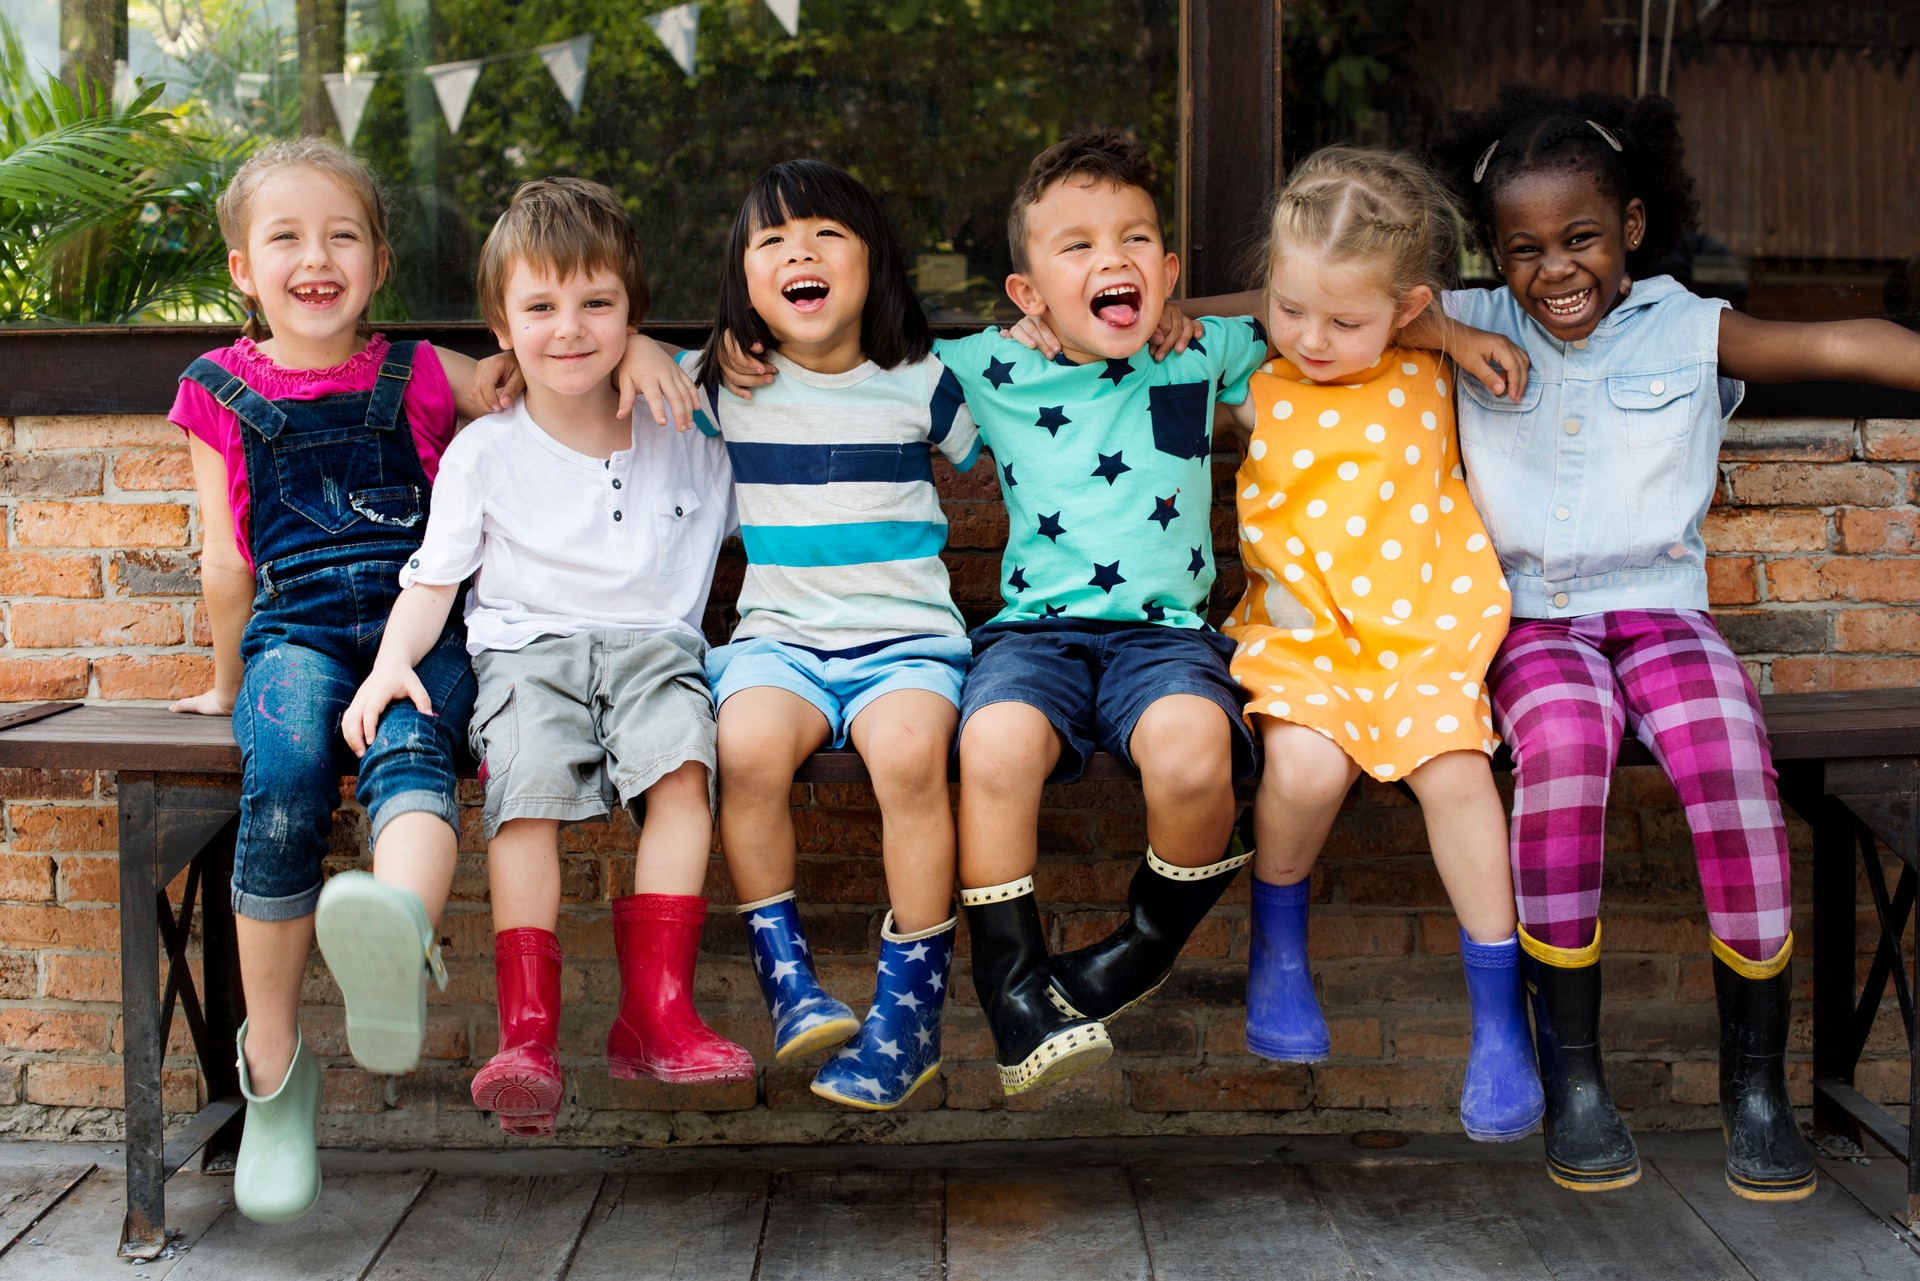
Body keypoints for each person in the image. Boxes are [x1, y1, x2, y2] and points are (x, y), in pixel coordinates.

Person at [1431, 83, 1920, 1198]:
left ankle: (1755, 1089)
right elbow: (1321, 299)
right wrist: (1439, 325)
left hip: (1663, 612)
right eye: (1523, 249)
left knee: (1731, 764)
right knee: (1560, 749)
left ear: (1634, 230)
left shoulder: (1692, 325)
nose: (1554, 269)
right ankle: (1579, 1083)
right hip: (1531, 625)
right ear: (1493, 255)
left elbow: (1842, 337)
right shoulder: (1474, 319)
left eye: (1582, 239)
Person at [342, 176, 750, 1139]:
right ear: (501, 324)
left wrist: (660, 354)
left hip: (657, 648)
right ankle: (527, 1036)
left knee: (686, 775)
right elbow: (435, 579)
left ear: (633, 314)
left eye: (598, 305)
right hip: (529, 654)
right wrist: (392, 664)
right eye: (541, 307)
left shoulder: (689, 423)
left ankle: (658, 1011)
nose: (569, 329)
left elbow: (770, 354)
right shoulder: (487, 450)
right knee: (523, 802)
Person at [168, 137, 513, 1222]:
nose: (315, 259)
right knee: (282, 779)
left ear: (379, 261)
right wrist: (230, 682)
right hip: (299, 638)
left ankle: (395, 933)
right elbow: (227, 559)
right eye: (286, 238)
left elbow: (539, 376)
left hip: (423, 631)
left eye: (342, 236)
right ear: (241, 269)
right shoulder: (215, 388)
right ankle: (272, 1069)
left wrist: (639, 347)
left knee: (417, 748)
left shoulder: (424, 373)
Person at [1207, 146, 1544, 1144]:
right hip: (1304, 644)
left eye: (1346, 320)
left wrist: (1448, 331)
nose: (1313, 338)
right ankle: (1277, 949)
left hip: (1425, 640)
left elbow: (1441, 320)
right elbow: (1180, 318)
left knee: (1458, 776)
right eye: (1292, 308)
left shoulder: (1433, 370)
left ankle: (1499, 1024)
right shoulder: (1250, 378)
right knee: (1303, 770)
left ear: (1405, 310)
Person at [680, 160, 979, 1110]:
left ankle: (908, 1018)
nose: (799, 251)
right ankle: (789, 983)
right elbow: (605, 361)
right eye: (771, 240)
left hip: (908, 643)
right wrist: (670, 354)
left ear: (874, 263)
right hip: (782, 642)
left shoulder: (924, 381)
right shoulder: (726, 388)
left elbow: (1009, 431)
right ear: (744, 283)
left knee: (908, 760)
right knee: (747, 746)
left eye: (826, 234)